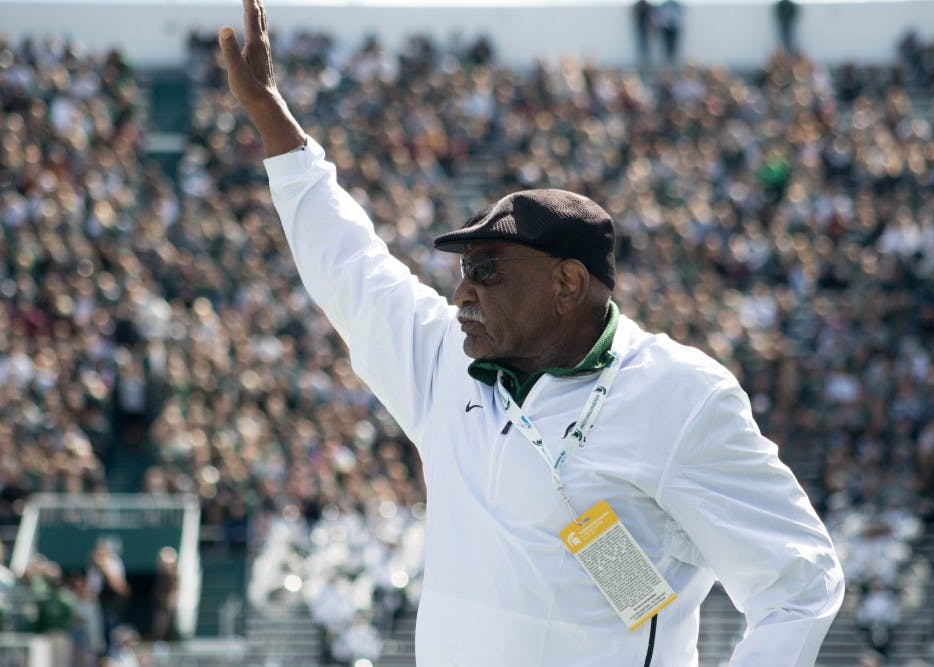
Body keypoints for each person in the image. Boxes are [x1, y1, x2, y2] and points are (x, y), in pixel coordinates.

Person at [217, 1, 845, 664]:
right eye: (461, 271)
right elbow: (352, 267)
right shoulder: (444, 366)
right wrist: (270, 118)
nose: (461, 292)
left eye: (486, 270)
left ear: (567, 286)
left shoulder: (681, 397)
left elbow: (800, 585)